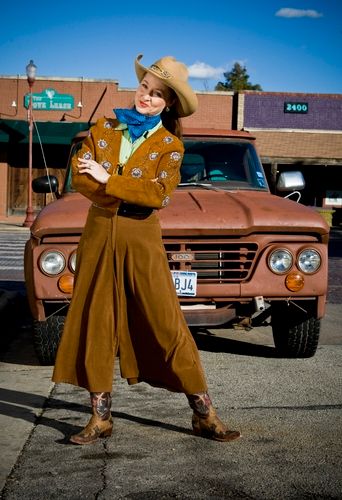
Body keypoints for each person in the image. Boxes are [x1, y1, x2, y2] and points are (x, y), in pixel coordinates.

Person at [52, 54, 241, 445]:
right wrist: (116, 189)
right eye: (144, 88)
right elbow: (80, 174)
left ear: (169, 103)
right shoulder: (105, 127)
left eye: (158, 95)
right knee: (97, 321)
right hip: (99, 232)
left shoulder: (170, 146)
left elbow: (159, 194)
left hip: (141, 238)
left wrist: (110, 179)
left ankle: (204, 413)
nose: (147, 98)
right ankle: (100, 418)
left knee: (166, 322)